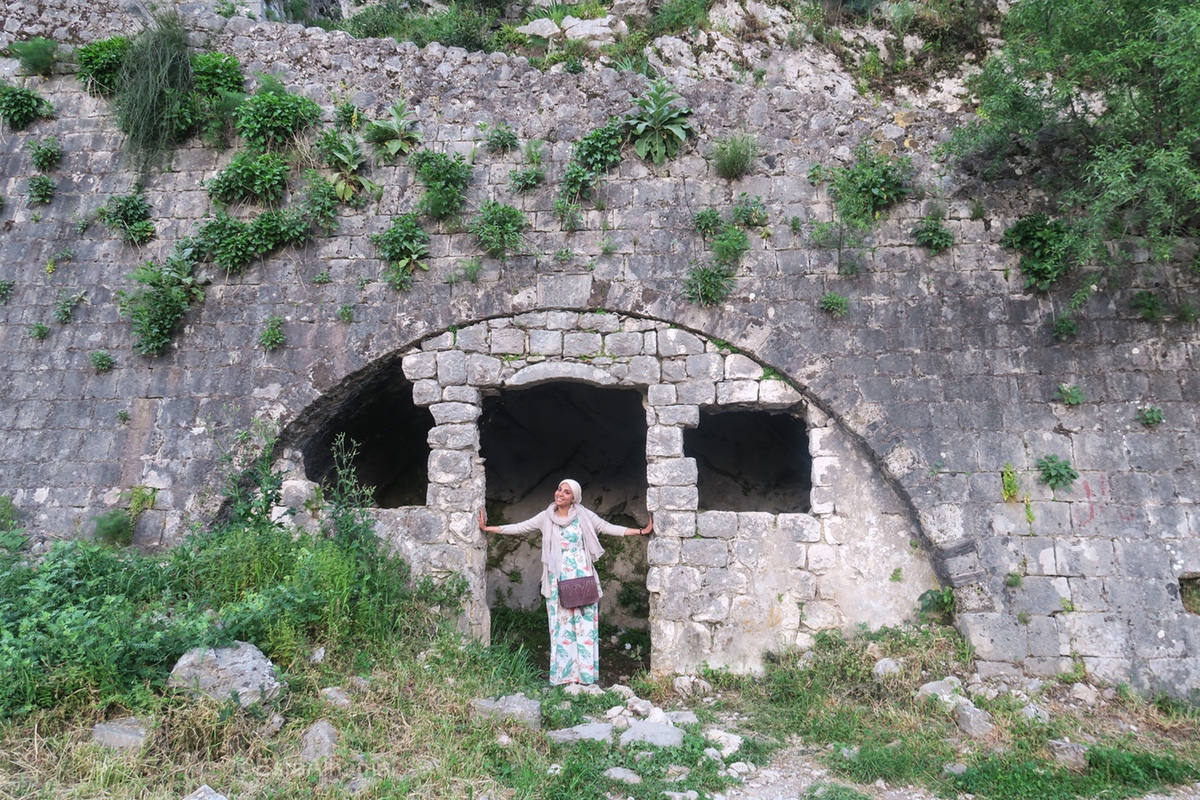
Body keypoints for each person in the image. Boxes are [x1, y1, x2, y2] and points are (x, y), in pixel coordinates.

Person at [478, 479, 653, 686]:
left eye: (566, 492)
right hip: (557, 580)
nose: (560, 493)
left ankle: (585, 677)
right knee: (561, 628)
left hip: (582, 578)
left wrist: (641, 531)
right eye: (559, 489)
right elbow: (519, 527)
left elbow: (608, 528)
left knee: (584, 627)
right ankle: (564, 677)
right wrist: (487, 528)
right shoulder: (546, 517)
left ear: (574, 498)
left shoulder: (585, 516)